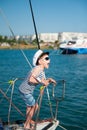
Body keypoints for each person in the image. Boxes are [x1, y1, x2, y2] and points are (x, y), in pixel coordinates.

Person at [19, 49, 56, 130]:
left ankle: (28, 120)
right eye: (46, 59)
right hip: (25, 91)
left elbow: (43, 81)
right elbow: (31, 79)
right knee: (34, 106)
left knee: (30, 107)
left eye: (49, 58)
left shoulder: (41, 71)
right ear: (39, 61)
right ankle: (27, 124)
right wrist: (41, 82)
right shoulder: (38, 68)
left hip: (25, 90)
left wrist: (49, 80)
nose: (49, 60)